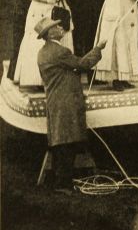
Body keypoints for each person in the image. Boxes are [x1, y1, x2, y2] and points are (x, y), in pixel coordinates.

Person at [35, 17, 107, 195]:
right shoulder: (60, 51)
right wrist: (98, 49)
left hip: (56, 101)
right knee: (67, 143)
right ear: (50, 33)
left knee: (61, 142)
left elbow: (69, 68)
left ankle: (61, 182)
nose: (60, 28)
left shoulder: (43, 52)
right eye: (56, 26)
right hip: (65, 102)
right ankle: (63, 185)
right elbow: (83, 64)